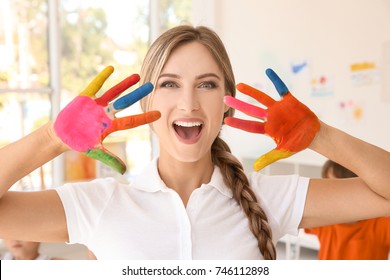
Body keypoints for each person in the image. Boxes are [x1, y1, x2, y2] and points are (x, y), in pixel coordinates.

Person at [0, 25, 390, 260]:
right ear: (146, 100)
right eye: (169, 84)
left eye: (207, 84)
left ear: (227, 105)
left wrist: (320, 136)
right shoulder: (99, 205)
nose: (189, 103)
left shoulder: (270, 197)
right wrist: (52, 138)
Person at [304, 160, 390, 260]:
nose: (330, 193)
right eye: (328, 184)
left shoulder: (381, 225)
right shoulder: (322, 221)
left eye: (337, 185)